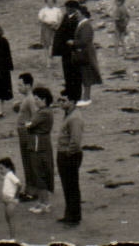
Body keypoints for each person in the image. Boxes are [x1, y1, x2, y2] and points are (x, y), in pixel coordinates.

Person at [24, 88, 56, 213]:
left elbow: (30, 124)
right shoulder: (43, 111)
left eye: (37, 99)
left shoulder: (44, 113)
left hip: (39, 145)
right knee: (38, 173)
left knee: (40, 172)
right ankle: (41, 201)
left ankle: (45, 203)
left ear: (44, 99)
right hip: (38, 143)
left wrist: (28, 124)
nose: (35, 101)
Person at [55, 95, 85, 226]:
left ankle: (73, 216)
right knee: (68, 186)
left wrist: (68, 152)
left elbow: (75, 140)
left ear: (72, 101)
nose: (61, 103)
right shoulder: (70, 115)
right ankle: (70, 214)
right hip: (67, 153)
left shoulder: (74, 118)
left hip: (69, 155)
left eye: (64, 100)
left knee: (71, 186)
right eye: (60, 100)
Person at [70, 2, 102, 105]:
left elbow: (84, 41)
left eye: (77, 13)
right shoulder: (83, 24)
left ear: (83, 14)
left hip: (85, 53)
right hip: (84, 53)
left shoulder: (86, 25)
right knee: (84, 75)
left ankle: (86, 98)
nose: (76, 15)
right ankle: (85, 97)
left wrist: (73, 42)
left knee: (86, 75)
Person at [0, 156, 22, 240]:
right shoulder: (7, 175)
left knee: (11, 219)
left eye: (1, 168)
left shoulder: (10, 175)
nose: (0, 171)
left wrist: (16, 197)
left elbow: (19, 184)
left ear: (8, 168)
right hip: (6, 201)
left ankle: (12, 238)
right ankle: (11, 237)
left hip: (11, 201)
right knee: (7, 218)